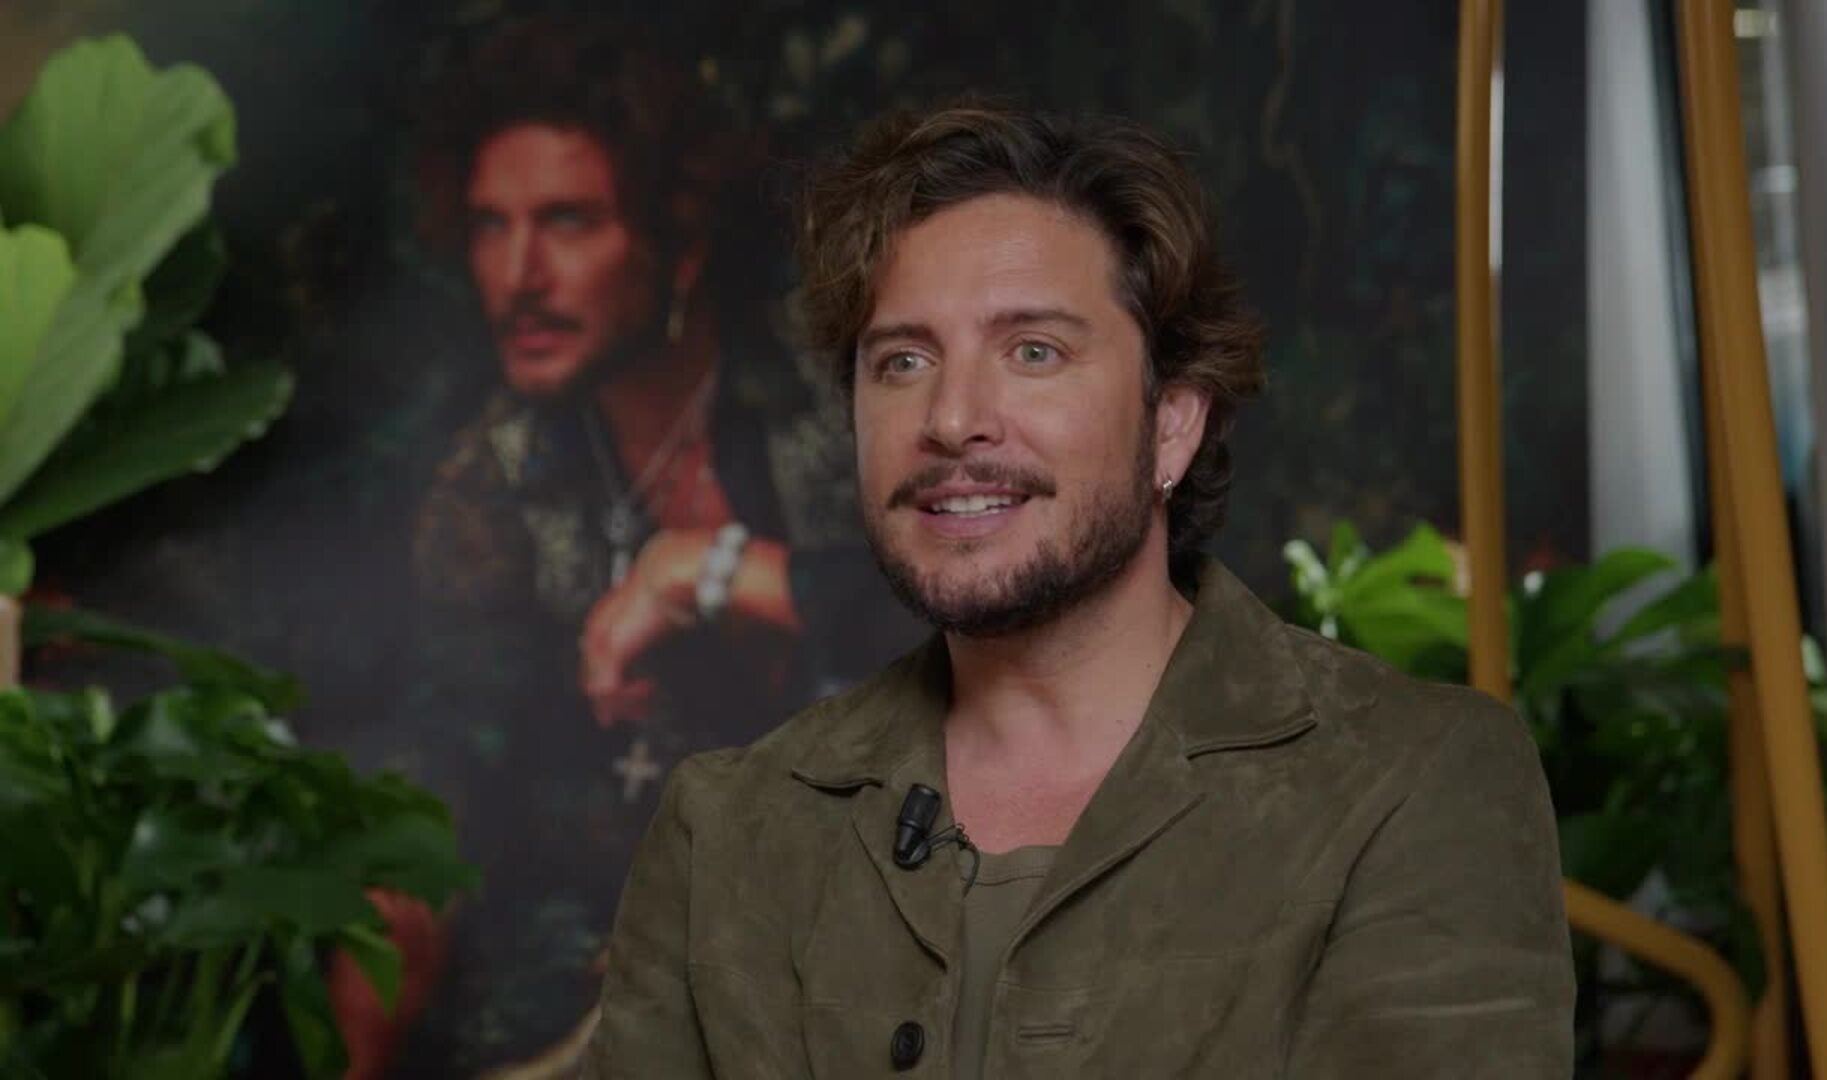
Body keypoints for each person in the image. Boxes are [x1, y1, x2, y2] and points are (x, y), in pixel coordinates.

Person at [584, 101, 1576, 1077]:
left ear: (1173, 423)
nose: (952, 418)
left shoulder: (1410, 781)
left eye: (1034, 351)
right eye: (903, 361)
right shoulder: (726, 830)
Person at [332, 20, 914, 1077]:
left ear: (677, 240)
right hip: (628, 978)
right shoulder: (499, 475)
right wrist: (397, 890)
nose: (519, 275)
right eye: (491, 226)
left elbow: (996, 611)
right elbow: (457, 734)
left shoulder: (845, 391)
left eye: (568, 221)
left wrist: (712, 571)